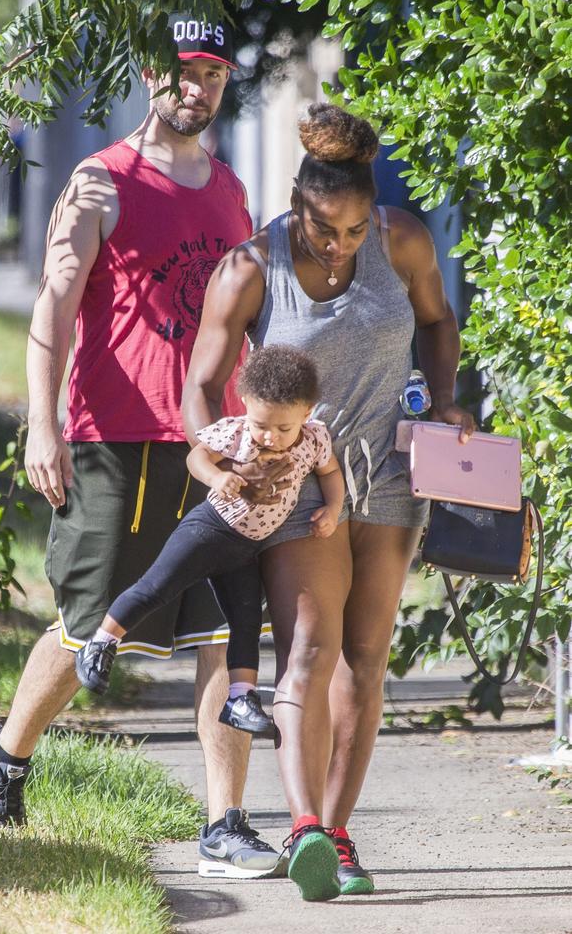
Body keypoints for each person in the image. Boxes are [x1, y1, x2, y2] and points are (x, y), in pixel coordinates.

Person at [0, 12, 288, 878]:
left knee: (227, 628)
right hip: (118, 436)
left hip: (215, 440)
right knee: (87, 624)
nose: (197, 86)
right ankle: (4, 754)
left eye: (213, 74)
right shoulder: (98, 182)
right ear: (152, 74)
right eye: (184, 71)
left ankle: (225, 824)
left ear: (225, 83)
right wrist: (44, 423)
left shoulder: (231, 191)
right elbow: (54, 307)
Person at [182, 101, 476, 901]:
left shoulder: (403, 239)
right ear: (298, 205)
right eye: (324, 231)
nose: (339, 245)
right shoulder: (252, 265)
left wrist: (446, 401)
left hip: (389, 471)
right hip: (297, 481)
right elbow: (200, 387)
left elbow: (438, 321)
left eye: (352, 232)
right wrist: (227, 466)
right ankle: (304, 825)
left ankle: (339, 837)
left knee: (366, 657)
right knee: (308, 649)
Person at [74, 345, 344, 752]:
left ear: (307, 414)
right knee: (157, 586)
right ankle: (101, 644)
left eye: (283, 428)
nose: (270, 435)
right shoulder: (235, 432)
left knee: (247, 619)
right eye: (261, 423)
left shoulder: (315, 438)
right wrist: (218, 478)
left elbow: (331, 472)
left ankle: (240, 697)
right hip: (211, 530)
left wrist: (333, 506)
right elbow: (197, 457)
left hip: (248, 548)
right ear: (247, 406)